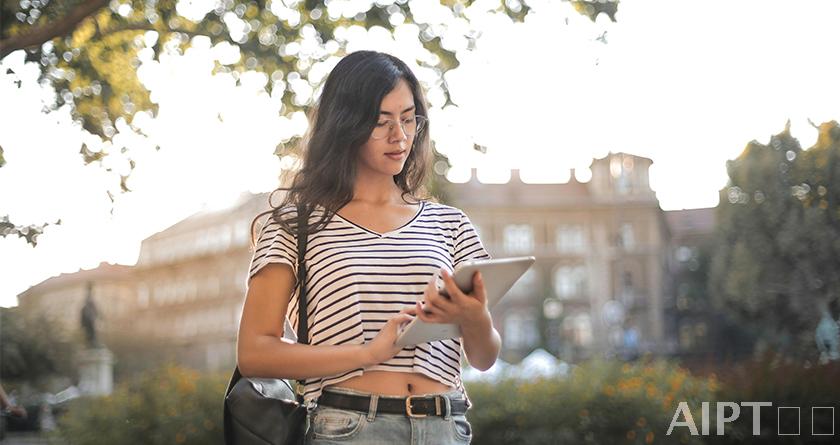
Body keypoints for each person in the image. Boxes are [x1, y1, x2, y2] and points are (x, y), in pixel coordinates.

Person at [237, 50, 500, 444]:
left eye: (408, 118)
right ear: (346, 125)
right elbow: (254, 352)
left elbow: (483, 357)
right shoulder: (296, 224)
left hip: (445, 425)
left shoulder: (450, 223)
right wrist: (366, 353)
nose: (400, 136)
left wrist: (475, 318)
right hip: (348, 427)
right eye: (381, 122)